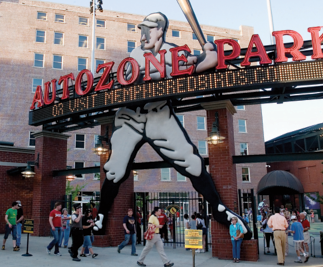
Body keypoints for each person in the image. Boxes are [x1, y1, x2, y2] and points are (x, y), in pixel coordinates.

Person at [92, 13, 249, 238]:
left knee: (192, 161)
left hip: (159, 113)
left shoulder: (176, 52)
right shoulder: (136, 54)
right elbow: (129, 81)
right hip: (131, 117)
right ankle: (101, 216)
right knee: (115, 168)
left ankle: (219, 209)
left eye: (149, 29)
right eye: (141, 29)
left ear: (160, 30)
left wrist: (210, 52)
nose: (143, 34)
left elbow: (210, 63)